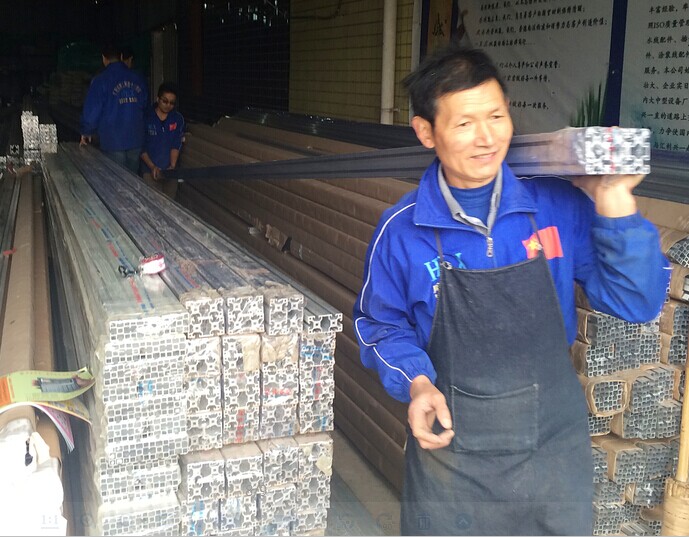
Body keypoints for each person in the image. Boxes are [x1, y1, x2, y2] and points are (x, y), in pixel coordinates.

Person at [353, 44, 669, 536]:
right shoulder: (403, 230)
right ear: (425, 132)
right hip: (453, 453)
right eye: (464, 123)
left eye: (496, 116)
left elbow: (637, 301)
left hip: (552, 452)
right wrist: (416, 382)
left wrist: (614, 198)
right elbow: (379, 325)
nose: (486, 138)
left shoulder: (554, 205)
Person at [79, 44, 148, 174]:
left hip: (113, 141)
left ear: (104, 59)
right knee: (132, 179)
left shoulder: (100, 81)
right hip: (136, 139)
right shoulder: (138, 78)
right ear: (121, 57)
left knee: (116, 179)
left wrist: (86, 132)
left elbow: (92, 112)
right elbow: (145, 106)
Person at [139, 82, 185, 199]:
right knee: (152, 204)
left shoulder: (177, 119)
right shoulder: (146, 117)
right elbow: (141, 146)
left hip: (170, 171)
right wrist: (152, 167)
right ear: (158, 99)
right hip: (149, 170)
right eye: (165, 101)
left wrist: (172, 166)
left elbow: (176, 143)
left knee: (170, 204)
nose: (168, 105)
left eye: (172, 103)